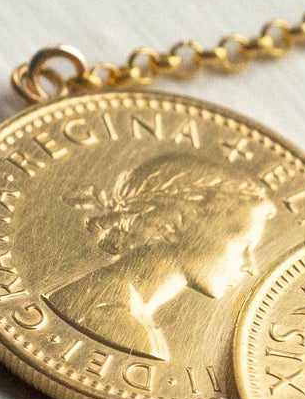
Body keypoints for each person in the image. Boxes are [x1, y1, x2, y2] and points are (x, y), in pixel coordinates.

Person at [46, 153, 275, 361]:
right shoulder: (116, 320)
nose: (250, 266)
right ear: (179, 221)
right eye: (243, 244)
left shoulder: (125, 309)